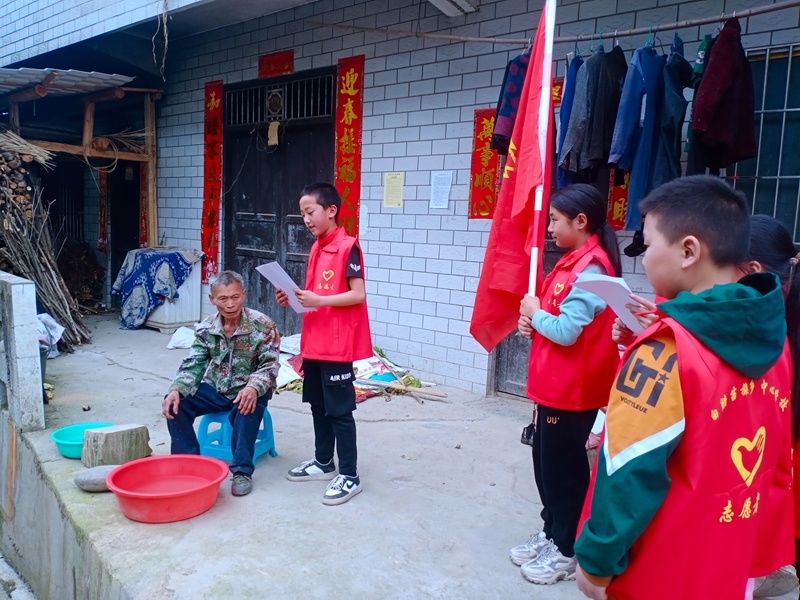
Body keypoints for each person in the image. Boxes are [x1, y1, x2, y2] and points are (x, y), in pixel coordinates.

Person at [574, 176, 794, 600]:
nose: (644, 257)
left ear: (689, 250)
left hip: (663, 570)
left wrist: (596, 563)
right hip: (730, 558)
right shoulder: (773, 337)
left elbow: (628, 473)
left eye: (650, 242)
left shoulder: (664, 351)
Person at [512, 184, 622, 585]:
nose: (550, 228)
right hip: (552, 384)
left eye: (556, 220)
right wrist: (532, 321)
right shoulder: (569, 263)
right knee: (544, 464)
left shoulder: (592, 269)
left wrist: (538, 314)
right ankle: (551, 529)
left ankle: (566, 547)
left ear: (581, 221)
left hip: (572, 390)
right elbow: (551, 321)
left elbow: (566, 331)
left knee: (564, 471)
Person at [275, 182, 372, 506]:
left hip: (336, 344)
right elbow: (316, 296)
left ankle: (350, 475)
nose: (305, 219)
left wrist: (319, 298)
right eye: (302, 213)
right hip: (314, 342)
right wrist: (295, 297)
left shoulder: (348, 247)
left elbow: (357, 294)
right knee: (318, 405)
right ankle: (323, 462)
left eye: (310, 211)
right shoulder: (317, 246)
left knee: (340, 411)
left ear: (331, 210)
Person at [162, 270, 280, 497]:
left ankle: (242, 471)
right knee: (175, 405)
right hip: (217, 388)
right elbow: (194, 363)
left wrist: (253, 388)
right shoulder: (206, 328)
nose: (229, 304)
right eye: (223, 298)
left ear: (244, 295)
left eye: (235, 297)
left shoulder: (263, 325)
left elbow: (270, 366)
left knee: (247, 407)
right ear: (212, 299)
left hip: (251, 390)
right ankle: (187, 463)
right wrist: (176, 389)